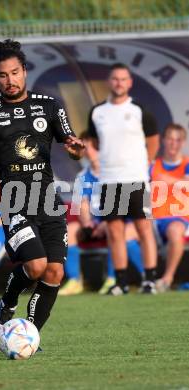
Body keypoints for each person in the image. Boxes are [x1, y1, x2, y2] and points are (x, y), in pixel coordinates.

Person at [0, 39, 85, 339]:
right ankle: (6, 304)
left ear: (24, 71)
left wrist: (76, 149)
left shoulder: (50, 106)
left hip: (49, 200)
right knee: (37, 265)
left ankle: (27, 337)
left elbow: (73, 147)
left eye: (15, 72)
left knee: (54, 272)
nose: (10, 80)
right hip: (14, 201)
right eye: (3, 75)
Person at [88, 62, 160, 295]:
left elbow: (153, 141)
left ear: (130, 82)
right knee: (115, 231)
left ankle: (149, 280)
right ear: (109, 82)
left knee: (143, 228)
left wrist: (144, 164)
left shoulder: (140, 109)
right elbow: (96, 143)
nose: (119, 83)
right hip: (109, 180)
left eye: (123, 79)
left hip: (136, 178)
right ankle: (121, 282)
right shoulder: (97, 112)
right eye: (115, 79)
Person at [59, 136, 144, 296]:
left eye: (93, 147)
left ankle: (116, 279)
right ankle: (74, 281)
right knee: (69, 231)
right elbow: (82, 204)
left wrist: (106, 223)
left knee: (117, 231)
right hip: (95, 223)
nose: (89, 152)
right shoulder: (82, 175)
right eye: (86, 147)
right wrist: (87, 224)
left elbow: (124, 206)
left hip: (118, 220)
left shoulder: (115, 174)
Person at [151, 123, 189, 292]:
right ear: (163, 140)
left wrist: (171, 180)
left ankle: (167, 278)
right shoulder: (152, 165)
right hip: (152, 220)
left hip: (178, 218)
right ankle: (147, 280)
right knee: (125, 232)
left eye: (178, 140)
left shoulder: (187, 164)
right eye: (170, 139)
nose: (174, 144)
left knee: (175, 231)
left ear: (183, 143)